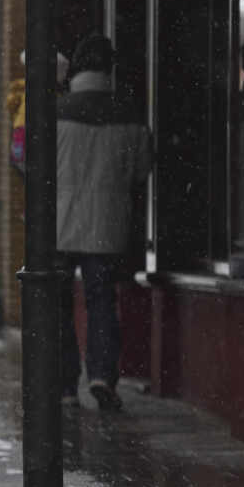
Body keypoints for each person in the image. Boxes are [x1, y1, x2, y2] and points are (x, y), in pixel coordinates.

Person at [56, 33, 152, 412]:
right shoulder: (130, 114)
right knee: (101, 302)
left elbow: (33, 166)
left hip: (61, 227)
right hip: (107, 227)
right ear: (109, 69)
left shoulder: (56, 112)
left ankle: (65, 384)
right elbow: (142, 170)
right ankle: (101, 374)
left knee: (60, 306)